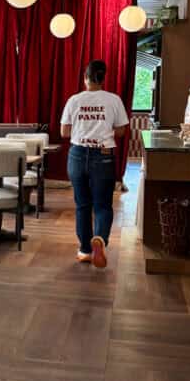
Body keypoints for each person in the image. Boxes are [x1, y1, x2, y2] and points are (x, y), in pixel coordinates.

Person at [60, 59, 129, 267]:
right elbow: (122, 130)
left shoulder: (74, 100)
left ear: (85, 78)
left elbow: (64, 132)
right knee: (102, 205)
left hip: (77, 155)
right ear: (103, 78)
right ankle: (99, 238)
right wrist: (103, 130)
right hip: (104, 155)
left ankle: (85, 250)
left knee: (82, 205)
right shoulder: (113, 100)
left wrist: (83, 130)